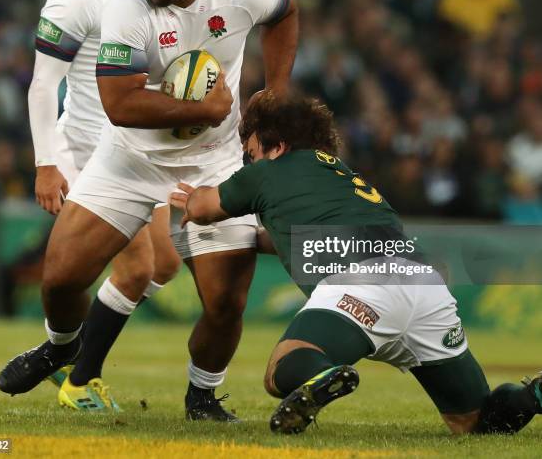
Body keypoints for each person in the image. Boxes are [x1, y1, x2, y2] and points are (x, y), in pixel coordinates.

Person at [0, 0, 298, 421]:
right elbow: (120, 103)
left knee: (225, 304)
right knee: (61, 278)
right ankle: (64, 347)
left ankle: (202, 395)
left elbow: (287, 11)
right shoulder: (125, 7)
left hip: (215, 162)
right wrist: (200, 107)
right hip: (130, 158)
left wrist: (274, 91)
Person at [171, 93, 542, 435]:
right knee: (476, 422)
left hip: (360, 286)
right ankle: (533, 396)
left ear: (277, 145)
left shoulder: (269, 171)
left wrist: (190, 198)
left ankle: (325, 375)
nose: (247, 160)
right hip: (423, 286)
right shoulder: (341, 174)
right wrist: (253, 241)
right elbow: (303, 237)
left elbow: (205, 208)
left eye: (250, 151)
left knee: (282, 371)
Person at [0, 0, 181, 411]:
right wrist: (46, 165)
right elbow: (40, 86)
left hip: (143, 151)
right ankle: (79, 372)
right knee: (137, 269)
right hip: (91, 154)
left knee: (164, 266)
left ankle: (65, 348)